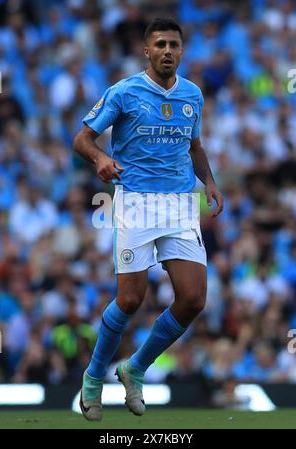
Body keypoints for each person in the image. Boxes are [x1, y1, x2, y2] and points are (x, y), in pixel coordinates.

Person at [73, 18, 223, 421]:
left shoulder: (192, 94)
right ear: (147, 50)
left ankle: (134, 368)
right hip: (136, 201)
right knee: (130, 299)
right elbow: (82, 138)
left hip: (179, 204)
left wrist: (208, 182)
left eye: (174, 44)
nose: (168, 51)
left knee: (193, 299)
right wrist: (101, 157)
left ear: (182, 50)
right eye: (160, 44)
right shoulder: (124, 92)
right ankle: (92, 378)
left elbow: (195, 146)